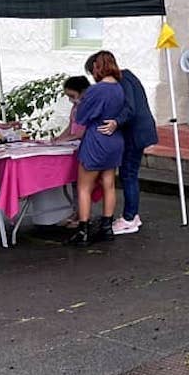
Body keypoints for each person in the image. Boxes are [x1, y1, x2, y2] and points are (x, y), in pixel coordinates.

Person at [90, 51, 159, 236]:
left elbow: (130, 107)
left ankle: (129, 218)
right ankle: (132, 215)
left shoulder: (123, 80)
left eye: (93, 71)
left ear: (99, 67)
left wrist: (115, 122)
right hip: (139, 131)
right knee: (130, 173)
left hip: (135, 133)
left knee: (128, 174)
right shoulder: (126, 77)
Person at [67, 52, 126, 245]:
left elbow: (81, 117)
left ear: (97, 67)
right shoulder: (119, 88)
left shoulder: (95, 90)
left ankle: (83, 231)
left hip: (96, 139)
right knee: (109, 184)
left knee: (85, 186)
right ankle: (106, 227)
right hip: (114, 140)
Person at [52, 76, 92, 144]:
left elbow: (82, 133)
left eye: (72, 96)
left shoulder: (90, 107)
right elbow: (70, 126)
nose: (70, 100)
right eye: (68, 97)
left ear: (83, 92)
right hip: (73, 142)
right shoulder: (75, 107)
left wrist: (65, 139)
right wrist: (60, 138)